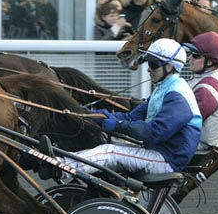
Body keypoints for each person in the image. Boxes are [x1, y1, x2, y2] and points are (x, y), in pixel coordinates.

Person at [81, 37, 201, 176]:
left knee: (109, 152)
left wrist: (118, 125)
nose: (149, 69)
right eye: (148, 63)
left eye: (153, 64)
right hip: (157, 151)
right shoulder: (162, 89)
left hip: (167, 160)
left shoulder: (177, 95)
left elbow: (155, 132)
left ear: (169, 67)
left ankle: (61, 166)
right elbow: (131, 118)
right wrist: (98, 115)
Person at [183, 31, 218, 152]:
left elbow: (181, 121)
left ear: (209, 62)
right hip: (188, 139)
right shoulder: (201, 76)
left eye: (195, 55)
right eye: (190, 53)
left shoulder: (207, 91)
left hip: (194, 147)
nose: (189, 58)